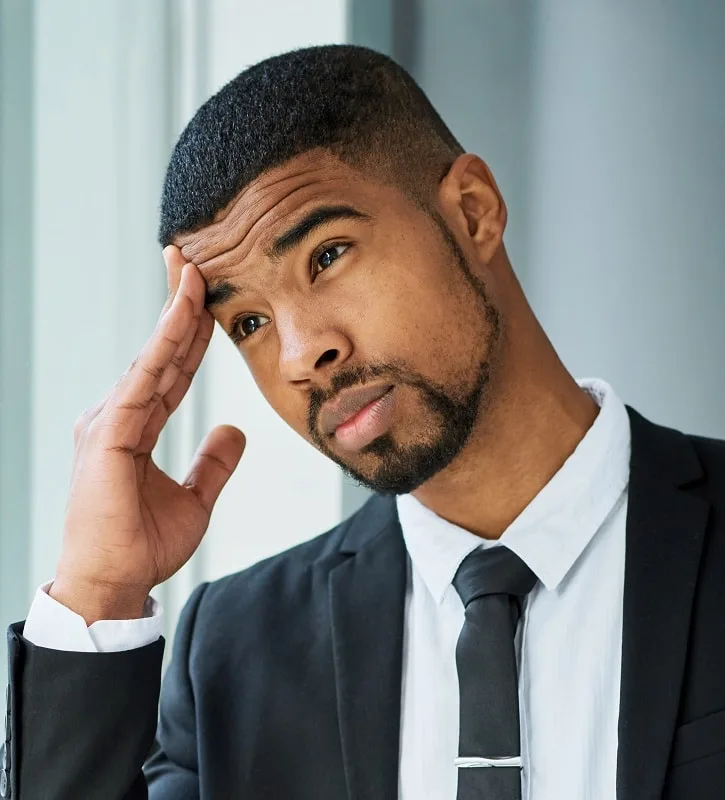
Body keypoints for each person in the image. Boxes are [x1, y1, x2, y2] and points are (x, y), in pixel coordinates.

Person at [3, 43, 725, 800]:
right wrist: (99, 590)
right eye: (248, 322)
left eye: (328, 254)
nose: (300, 355)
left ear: (472, 212)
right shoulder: (237, 651)